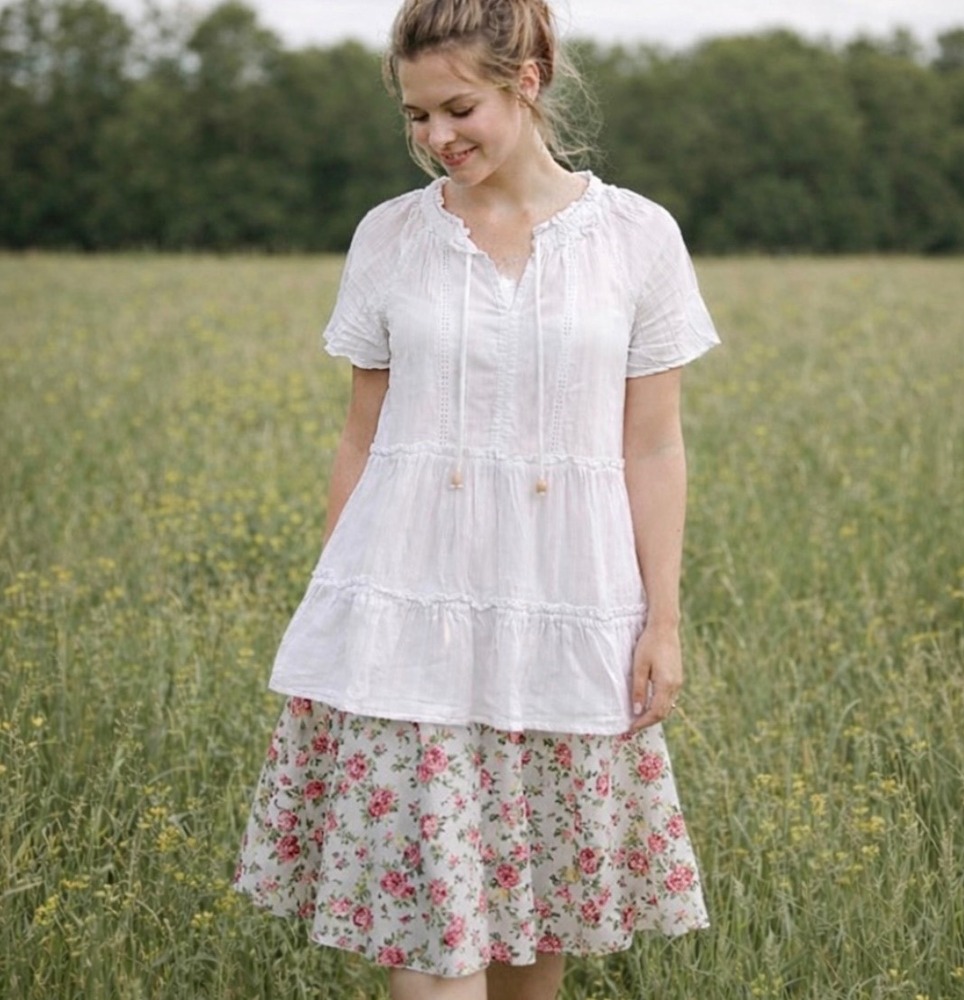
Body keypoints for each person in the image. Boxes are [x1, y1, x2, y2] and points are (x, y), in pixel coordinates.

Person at [234, 1, 719, 997]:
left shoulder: (638, 237)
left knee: (535, 936)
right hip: (410, 620)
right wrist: (342, 606)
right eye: (416, 116)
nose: (436, 138)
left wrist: (662, 621)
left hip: (567, 615)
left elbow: (653, 445)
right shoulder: (389, 237)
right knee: (429, 947)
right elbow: (362, 434)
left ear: (526, 80)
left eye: (458, 109)